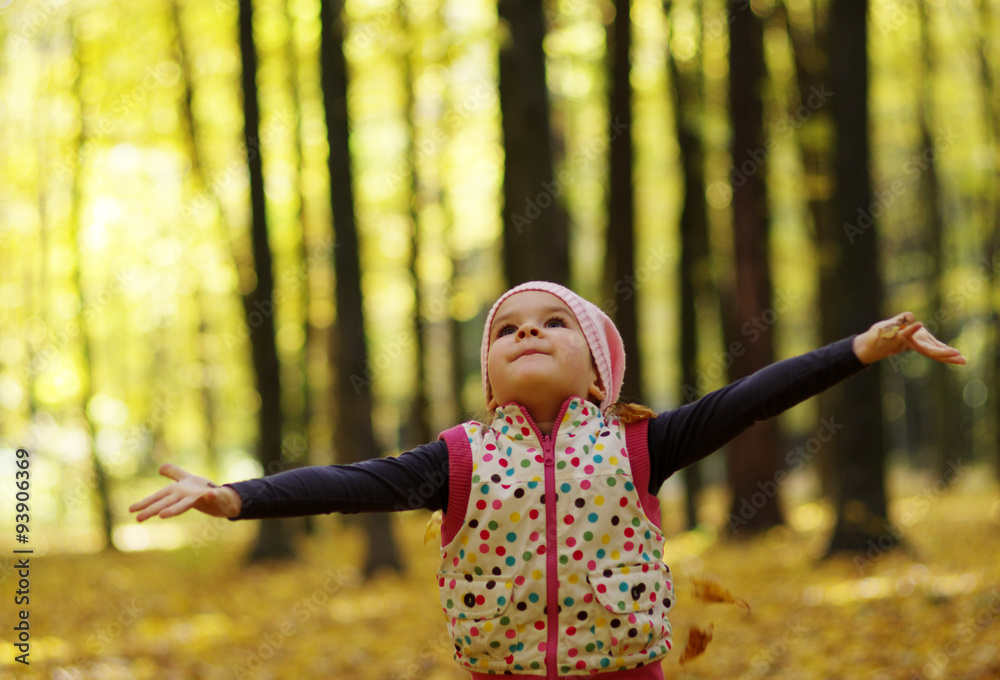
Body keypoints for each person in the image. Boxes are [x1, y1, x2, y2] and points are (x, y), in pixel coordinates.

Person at [130, 281, 965, 680]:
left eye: (554, 323)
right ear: (490, 375)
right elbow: (354, 481)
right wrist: (236, 496)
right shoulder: (457, 457)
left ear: (599, 372)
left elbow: (748, 399)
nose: (528, 332)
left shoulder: (642, 443)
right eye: (508, 330)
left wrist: (862, 347)